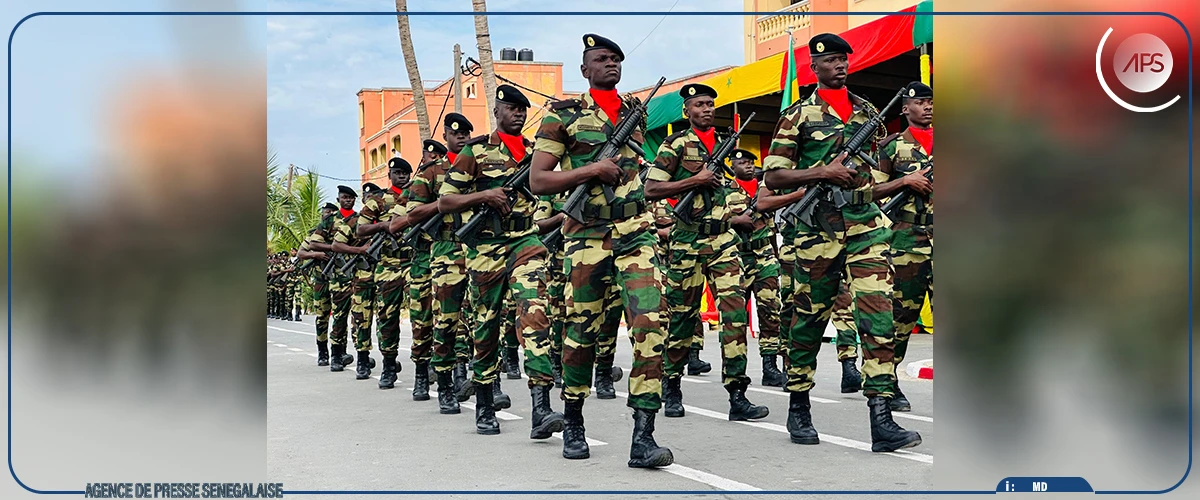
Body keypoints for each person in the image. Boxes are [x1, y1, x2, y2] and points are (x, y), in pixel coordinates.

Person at [761, 33, 920, 452]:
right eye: (831, 60)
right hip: (818, 230)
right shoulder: (797, 116)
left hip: (866, 224)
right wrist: (821, 172)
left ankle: (881, 418)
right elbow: (774, 176)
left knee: (879, 316)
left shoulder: (866, 110)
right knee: (809, 320)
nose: (840, 65)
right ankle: (799, 404)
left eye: (844, 59)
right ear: (814, 67)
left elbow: (875, 168)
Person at [529, 33, 672, 468]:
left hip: (635, 231)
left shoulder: (633, 111)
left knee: (651, 323)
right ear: (584, 69)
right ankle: (573, 420)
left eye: (616, 59)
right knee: (581, 333)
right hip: (586, 235)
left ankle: (643, 437)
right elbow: (539, 180)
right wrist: (591, 169)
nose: (612, 64)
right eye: (602, 58)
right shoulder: (563, 114)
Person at [438, 84, 564, 440]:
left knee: (535, 315)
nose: (518, 114)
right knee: (486, 326)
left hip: (525, 242)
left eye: (523, 109)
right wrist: (485, 195)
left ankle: (541, 407)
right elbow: (446, 200)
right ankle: (484, 404)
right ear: (497, 112)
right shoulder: (475, 151)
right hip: (486, 249)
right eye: (511, 108)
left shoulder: (535, 152)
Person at [644, 83, 769, 422]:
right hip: (686, 241)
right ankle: (671, 385)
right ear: (687, 111)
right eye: (699, 104)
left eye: (710, 104)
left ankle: (737, 394)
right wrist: (694, 181)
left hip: (723, 241)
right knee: (682, 317)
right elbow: (651, 189)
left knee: (735, 315)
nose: (707, 109)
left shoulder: (724, 144)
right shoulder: (676, 144)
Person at [869, 80, 933, 412]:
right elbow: (872, 192)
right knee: (902, 317)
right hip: (907, 242)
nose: (928, 106)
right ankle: (888, 381)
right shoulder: (891, 147)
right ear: (906, 109)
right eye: (920, 102)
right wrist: (905, 181)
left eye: (931, 101)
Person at [724, 149, 787, 388]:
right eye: (742, 162)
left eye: (751, 162)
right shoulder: (725, 191)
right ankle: (734, 368)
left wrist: (776, 257)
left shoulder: (766, 189)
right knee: (735, 315)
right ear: (732, 166)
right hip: (738, 256)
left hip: (764, 256)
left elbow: (771, 227)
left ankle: (770, 367)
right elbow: (715, 219)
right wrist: (736, 220)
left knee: (771, 311)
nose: (748, 166)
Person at [355, 158, 415, 391]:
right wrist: (384, 226)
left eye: (405, 173)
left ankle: (427, 363)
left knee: (424, 312)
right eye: (397, 173)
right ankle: (389, 365)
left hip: (414, 262)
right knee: (387, 318)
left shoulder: (417, 195)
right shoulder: (378, 202)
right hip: (388, 265)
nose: (402, 176)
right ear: (389, 176)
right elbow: (360, 229)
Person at [331, 185, 381, 379]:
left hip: (388, 275)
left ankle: (389, 359)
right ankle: (362, 359)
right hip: (363, 277)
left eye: (375, 197)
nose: (371, 201)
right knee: (361, 319)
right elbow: (336, 244)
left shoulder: (389, 219)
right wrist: (360, 250)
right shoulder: (354, 222)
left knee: (387, 320)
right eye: (368, 197)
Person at [320, 186, 360, 372]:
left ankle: (360, 354)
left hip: (359, 272)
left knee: (360, 315)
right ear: (338, 200)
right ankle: (335, 354)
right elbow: (314, 242)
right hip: (338, 274)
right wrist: (334, 248)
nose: (348, 200)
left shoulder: (360, 219)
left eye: (351, 197)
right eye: (344, 197)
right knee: (339, 315)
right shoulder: (330, 220)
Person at [296, 203, 340, 365]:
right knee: (322, 315)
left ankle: (339, 351)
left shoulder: (341, 232)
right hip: (321, 279)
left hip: (339, 278)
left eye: (330, 212)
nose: (327, 215)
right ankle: (322, 351)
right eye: (325, 212)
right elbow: (301, 253)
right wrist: (317, 254)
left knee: (340, 315)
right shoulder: (314, 234)